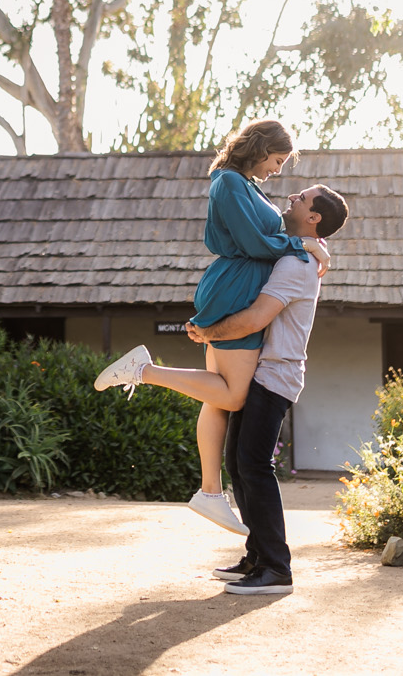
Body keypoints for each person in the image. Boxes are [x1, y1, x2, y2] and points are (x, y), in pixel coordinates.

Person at [93, 182, 348, 595]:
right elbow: (272, 244)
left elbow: (254, 319)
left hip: (275, 375)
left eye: (301, 199)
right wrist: (315, 246)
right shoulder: (297, 252)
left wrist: (208, 332)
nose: (292, 198)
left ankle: (276, 568)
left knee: (254, 466)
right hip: (261, 371)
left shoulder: (297, 265)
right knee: (239, 463)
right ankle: (257, 557)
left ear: (314, 217)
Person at [92, 118, 327, 534]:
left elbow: (262, 238)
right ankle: (143, 371)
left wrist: (310, 242)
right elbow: (255, 244)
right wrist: (302, 243)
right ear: (258, 147)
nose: (278, 169)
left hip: (236, 284)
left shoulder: (247, 183)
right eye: (276, 159)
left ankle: (210, 493)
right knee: (234, 396)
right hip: (235, 287)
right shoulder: (229, 183)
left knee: (216, 397)